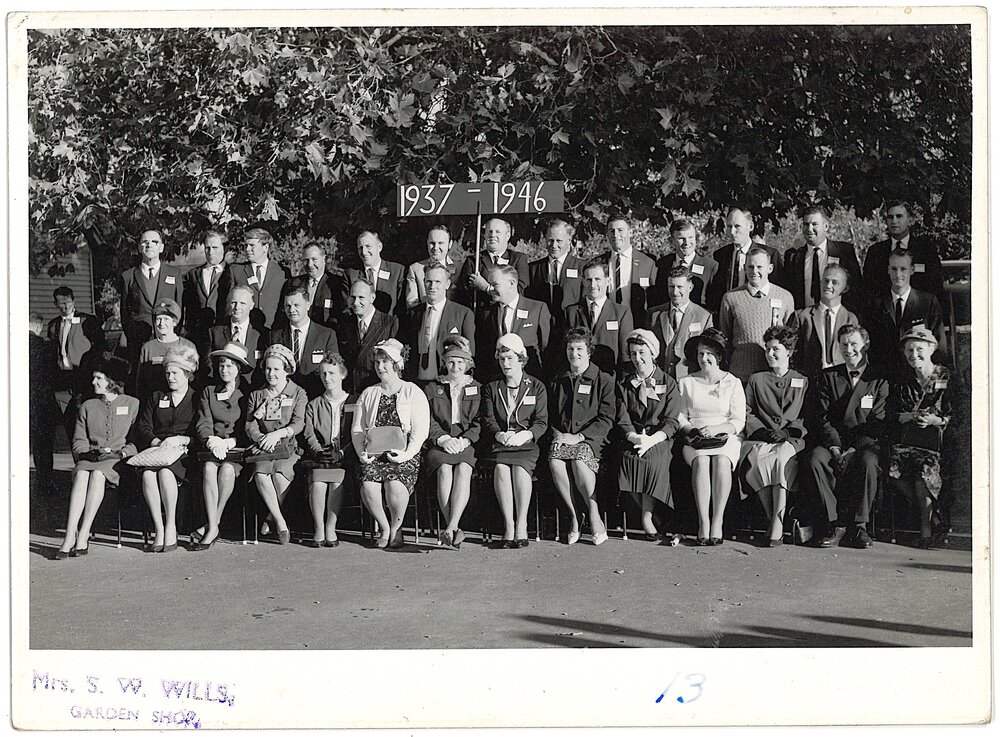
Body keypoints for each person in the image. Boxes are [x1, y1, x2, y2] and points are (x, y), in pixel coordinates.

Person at [806, 324, 889, 550]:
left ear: (866, 345)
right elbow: (822, 417)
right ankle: (835, 524)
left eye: (854, 344)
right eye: (844, 344)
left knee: (869, 462)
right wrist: (835, 447)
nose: (849, 349)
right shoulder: (829, 376)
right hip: (834, 441)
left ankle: (860, 525)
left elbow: (877, 421)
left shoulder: (878, 379)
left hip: (863, 443)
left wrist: (852, 449)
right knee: (816, 459)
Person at [55, 353, 139, 558]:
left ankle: (83, 533)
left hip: (117, 461)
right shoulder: (87, 406)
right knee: (82, 474)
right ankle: (70, 535)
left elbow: (136, 440)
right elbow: (79, 440)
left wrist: (123, 453)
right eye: (93, 377)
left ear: (112, 381)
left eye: (98, 378)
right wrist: (85, 453)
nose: (93, 382)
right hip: (90, 458)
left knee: (98, 475)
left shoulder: (132, 404)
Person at [351, 339, 430, 548]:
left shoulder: (412, 391)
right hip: (374, 454)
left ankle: (397, 528)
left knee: (395, 485)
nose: (380, 366)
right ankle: (385, 527)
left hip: (403, 453)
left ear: (397, 364)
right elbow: (357, 429)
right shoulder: (369, 393)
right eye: (377, 362)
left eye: (385, 361)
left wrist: (406, 455)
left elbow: (421, 430)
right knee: (369, 485)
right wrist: (361, 453)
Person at [677, 328, 746, 545]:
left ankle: (717, 521)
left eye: (709, 354)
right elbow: (680, 417)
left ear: (719, 356)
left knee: (721, 461)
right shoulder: (686, 382)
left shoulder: (732, 382)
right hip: (695, 439)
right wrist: (692, 431)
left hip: (725, 437)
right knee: (701, 461)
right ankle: (703, 522)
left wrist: (717, 429)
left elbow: (738, 421)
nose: (704, 358)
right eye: (700, 354)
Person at [742, 325, 809, 546]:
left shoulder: (802, 380)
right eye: (767, 349)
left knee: (781, 459)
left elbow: (807, 414)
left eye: (776, 349)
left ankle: (776, 523)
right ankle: (775, 518)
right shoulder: (756, 379)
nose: (770, 354)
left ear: (789, 351)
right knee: (760, 459)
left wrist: (788, 432)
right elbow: (747, 410)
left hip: (791, 438)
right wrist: (761, 431)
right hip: (762, 437)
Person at [548, 328, 614, 545]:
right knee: (555, 460)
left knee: (579, 459)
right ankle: (575, 515)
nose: (574, 354)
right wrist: (558, 435)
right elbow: (550, 416)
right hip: (564, 436)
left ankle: (594, 514)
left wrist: (580, 437)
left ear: (589, 351)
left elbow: (606, 418)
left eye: (579, 349)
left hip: (592, 439)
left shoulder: (603, 380)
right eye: (570, 349)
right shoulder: (558, 380)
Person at [481, 334, 549, 548]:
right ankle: (508, 525)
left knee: (520, 470)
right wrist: (499, 434)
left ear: (521, 359)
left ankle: (521, 524)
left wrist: (525, 435)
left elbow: (541, 421)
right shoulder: (492, 387)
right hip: (501, 444)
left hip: (526, 444)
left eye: (510, 358)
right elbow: (489, 419)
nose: (506, 364)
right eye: (502, 359)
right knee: (501, 469)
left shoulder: (536, 386)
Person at [887, 327, 952, 548]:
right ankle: (933, 519)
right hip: (907, 441)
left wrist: (934, 420)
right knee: (893, 468)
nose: (914, 355)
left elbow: (954, 413)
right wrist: (910, 416)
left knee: (923, 471)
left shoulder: (943, 376)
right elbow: (892, 413)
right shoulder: (902, 378)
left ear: (931, 349)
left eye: (919, 349)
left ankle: (925, 529)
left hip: (935, 443)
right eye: (909, 350)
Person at [615, 329, 681, 542]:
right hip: (634, 437)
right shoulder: (624, 384)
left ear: (652, 353)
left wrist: (652, 440)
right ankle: (651, 514)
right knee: (628, 459)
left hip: (659, 438)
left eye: (642, 353)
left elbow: (672, 421)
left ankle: (647, 516)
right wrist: (633, 437)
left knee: (653, 460)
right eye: (633, 353)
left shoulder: (668, 383)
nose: (637, 358)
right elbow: (622, 418)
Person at [136, 344, 200, 553]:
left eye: (175, 373)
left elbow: (201, 432)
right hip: (157, 450)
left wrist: (182, 439)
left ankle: (171, 525)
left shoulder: (196, 398)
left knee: (165, 473)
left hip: (184, 453)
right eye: (167, 373)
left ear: (187, 374)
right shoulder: (157, 396)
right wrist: (156, 442)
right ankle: (159, 528)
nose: (170, 378)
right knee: (148, 475)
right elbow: (144, 426)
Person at [190, 341, 251, 551]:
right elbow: (203, 422)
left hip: (236, 450)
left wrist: (231, 441)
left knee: (226, 471)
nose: (224, 370)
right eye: (221, 365)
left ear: (239, 368)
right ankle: (214, 526)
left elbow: (248, 427)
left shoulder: (247, 393)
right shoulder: (208, 391)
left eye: (230, 366)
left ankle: (211, 525)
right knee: (209, 468)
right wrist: (210, 440)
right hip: (212, 448)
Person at [245, 344, 308, 544]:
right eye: (268, 369)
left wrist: (278, 434)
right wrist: (261, 439)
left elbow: (299, 422)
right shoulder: (257, 395)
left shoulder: (298, 392)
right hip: (264, 447)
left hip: (287, 446)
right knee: (261, 474)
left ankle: (270, 517)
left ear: (286, 370)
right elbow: (250, 425)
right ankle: (280, 523)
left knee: (281, 476)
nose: (271, 374)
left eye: (276, 369)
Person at [423, 336, 481, 549]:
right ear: (444, 363)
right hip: (439, 441)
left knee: (464, 468)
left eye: (460, 362)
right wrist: (443, 439)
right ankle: (454, 528)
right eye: (451, 362)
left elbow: (480, 422)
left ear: (467, 364)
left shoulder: (477, 387)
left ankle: (451, 527)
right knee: (445, 469)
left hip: (466, 441)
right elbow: (427, 419)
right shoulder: (432, 388)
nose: (455, 367)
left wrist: (465, 440)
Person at [301, 352, 357, 548]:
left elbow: (359, 432)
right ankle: (318, 527)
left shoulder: (354, 402)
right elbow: (309, 434)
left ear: (342, 374)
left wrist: (342, 452)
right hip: (321, 457)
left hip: (345, 456)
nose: (327, 378)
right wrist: (318, 451)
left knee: (335, 482)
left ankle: (331, 527)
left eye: (332, 373)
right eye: (324, 373)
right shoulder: (314, 405)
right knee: (317, 483)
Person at [719, 247, 795, 381]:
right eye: (750, 267)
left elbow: (790, 338)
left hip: (773, 376)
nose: (754, 271)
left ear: (770, 268)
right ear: (744, 268)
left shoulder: (785, 297)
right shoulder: (730, 298)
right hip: (741, 374)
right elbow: (725, 336)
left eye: (759, 267)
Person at [871, 248, 947, 373]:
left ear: (912, 270)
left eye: (903, 269)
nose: (898, 274)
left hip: (917, 374)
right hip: (884, 375)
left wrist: (931, 375)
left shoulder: (928, 302)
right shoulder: (876, 303)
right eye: (894, 269)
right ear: (888, 270)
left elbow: (939, 344)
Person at [781, 204, 864, 313]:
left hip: (836, 317)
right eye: (806, 224)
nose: (809, 229)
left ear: (826, 227)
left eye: (814, 224)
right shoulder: (793, 256)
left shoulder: (844, 252)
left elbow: (856, 288)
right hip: (804, 317)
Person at [404, 262, 476, 382]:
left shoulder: (463, 314)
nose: (432, 286)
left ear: (447, 284)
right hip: (417, 381)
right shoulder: (412, 314)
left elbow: (470, 354)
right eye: (429, 281)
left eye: (438, 282)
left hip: (446, 381)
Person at [119, 229, 184, 358]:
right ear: (139, 247)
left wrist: (172, 334)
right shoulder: (128, 277)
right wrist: (132, 336)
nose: (149, 245)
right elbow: (124, 313)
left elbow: (179, 308)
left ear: (161, 247)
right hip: (138, 342)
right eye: (145, 242)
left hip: (168, 340)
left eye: (154, 242)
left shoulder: (174, 274)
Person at [479, 264, 552, 380]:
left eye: (495, 284)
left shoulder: (537, 309)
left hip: (530, 377)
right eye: (490, 284)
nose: (490, 289)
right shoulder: (487, 313)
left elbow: (546, 348)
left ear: (512, 283)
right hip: (497, 380)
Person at [863, 200, 944, 302]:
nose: (894, 221)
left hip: (919, 307)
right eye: (890, 217)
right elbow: (868, 289)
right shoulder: (875, 252)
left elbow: (936, 287)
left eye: (899, 216)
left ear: (910, 221)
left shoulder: (926, 250)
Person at [786, 264, 859, 378]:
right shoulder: (802, 316)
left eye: (834, 282)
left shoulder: (850, 318)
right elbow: (790, 352)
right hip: (810, 379)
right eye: (825, 281)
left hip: (840, 379)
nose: (828, 285)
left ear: (845, 288)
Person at [268, 283, 340, 398]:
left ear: (308, 305)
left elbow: (333, 369)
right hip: (284, 397)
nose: (292, 310)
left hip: (316, 397)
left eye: (296, 305)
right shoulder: (275, 336)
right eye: (288, 306)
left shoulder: (326, 335)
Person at [563, 260, 633, 377]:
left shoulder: (621, 313)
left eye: (597, 279)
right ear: (583, 281)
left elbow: (625, 353)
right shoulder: (570, 312)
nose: (593, 285)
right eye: (589, 280)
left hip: (609, 377)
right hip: (579, 378)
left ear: (608, 281)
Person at [46, 286, 106, 423]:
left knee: (83, 414)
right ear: (55, 304)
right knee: (67, 417)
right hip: (63, 377)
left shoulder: (87, 320)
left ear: (74, 301)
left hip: (82, 375)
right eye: (61, 303)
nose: (66, 306)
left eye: (68, 302)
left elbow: (101, 347)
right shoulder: (53, 325)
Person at [708, 207, 782, 313]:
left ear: (750, 226)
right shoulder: (720, 255)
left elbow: (777, 291)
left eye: (737, 226)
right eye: (729, 226)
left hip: (757, 312)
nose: (732, 232)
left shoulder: (770, 254)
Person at [647, 266, 713, 380]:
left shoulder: (704, 316)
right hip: (660, 377)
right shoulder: (654, 314)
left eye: (680, 287)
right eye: (671, 287)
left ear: (690, 287)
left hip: (689, 377)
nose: (675, 292)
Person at [338, 278, 399, 392]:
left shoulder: (389, 323)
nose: (356, 303)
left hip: (377, 389)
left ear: (372, 298)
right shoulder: (345, 323)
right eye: (353, 297)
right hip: (350, 390)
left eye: (361, 297)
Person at [457, 217, 529, 312]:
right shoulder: (474, 261)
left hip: (509, 314)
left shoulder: (518, 259)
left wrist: (487, 288)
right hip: (481, 316)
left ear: (507, 235)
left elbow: (520, 292)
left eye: (497, 232)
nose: (493, 235)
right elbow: (464, 294)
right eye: (489, 231)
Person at [227, 227, 290, 332]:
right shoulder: (236, 270)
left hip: (274, 331)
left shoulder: (282, 272)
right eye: (246, 245)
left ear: (265, 247)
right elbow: (228, 305)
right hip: (245, 332)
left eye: (252, 245)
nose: (247, 249)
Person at [134, 298, 197, 400]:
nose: (161, 323)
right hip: (154, 401)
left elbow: (194, 378)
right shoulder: (148, 348)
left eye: (166, 319)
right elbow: (141, 382)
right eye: (158, 319)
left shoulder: (187, 345)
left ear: (174, 322)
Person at [182, 230, 231, 355]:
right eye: (207, 248)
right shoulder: (193, 274)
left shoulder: (232, 272)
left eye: (215, 248)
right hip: (198, 334)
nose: (210, 252)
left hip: (223, 333)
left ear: (225, 248)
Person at [603, 215, 657, 327]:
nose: (615, 235)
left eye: (620, 230)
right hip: (607, 323)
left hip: (637, 323)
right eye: (611, 231)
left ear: (630, 232)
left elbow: (655, 299)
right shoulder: (599, 263)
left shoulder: (647, 262)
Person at [526, 218, 586, 317]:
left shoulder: (582, 266)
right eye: (550, 240)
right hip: (543, 322)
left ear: (569, 240)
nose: (554, 245)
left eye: (559, 241)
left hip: (572, 322)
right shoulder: (533, 269)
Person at [653, 219, 718, 307]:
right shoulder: (662, 264)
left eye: (690, 237)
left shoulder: (710, 266)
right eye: (681, 239)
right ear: (672, 241)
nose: (687, 243)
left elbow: (714, 302)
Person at [208, 286, 266, 378]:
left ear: (251, 305)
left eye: (242, 303)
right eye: (234, 302)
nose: (237, 307)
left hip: (251, 384)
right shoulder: (215, 332)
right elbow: (208, 364)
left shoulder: (261, 334)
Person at [345, 230, 405, 317]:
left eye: (368, 246)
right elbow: (347, 306)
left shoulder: (397, 271)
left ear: (379, 247)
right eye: (360, 248)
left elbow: (401, 308)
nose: (364, 252)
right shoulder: (351, 274)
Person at [29, 313, 59, 482]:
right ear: (39, 327)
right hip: (42, 399)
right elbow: (53, 374)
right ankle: (45, 479)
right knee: (43, 443)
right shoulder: (44, 346)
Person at [404, 224, 460, 309]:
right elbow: (412, 303)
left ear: (450, 244)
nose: (435, 248)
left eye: (440, 243)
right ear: (427, 243)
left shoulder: (459, 268)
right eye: (432, 243)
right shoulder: (416, 269)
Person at [300, 242, 348, 328]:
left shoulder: (336, 284)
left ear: (324, 259)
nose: (310, 264)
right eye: (306, 260)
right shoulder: (294, 283)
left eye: (314, 259)